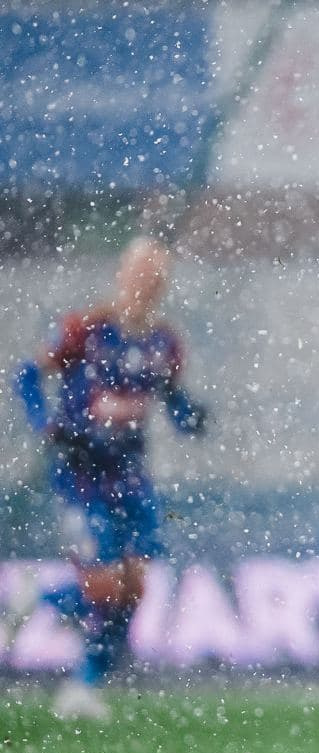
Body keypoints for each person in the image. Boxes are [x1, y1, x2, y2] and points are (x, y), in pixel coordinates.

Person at [12, 236, 207, 720]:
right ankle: (42, 599)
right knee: (104, 585)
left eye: (155, 277)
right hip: (81, 472)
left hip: (130, 473)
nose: (146, 284)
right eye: (139, 273)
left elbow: (174, 401)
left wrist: (190, 418)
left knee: (135, 587)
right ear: (122, 275)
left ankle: (83, 684)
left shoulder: (164, 344)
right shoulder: (86, 330)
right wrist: (46, 424)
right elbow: (27, 375)